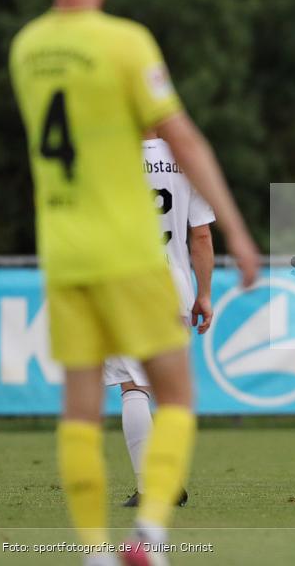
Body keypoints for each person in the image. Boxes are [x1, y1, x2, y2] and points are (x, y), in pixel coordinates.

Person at [8, 0, 258, 564]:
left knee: (85, 400)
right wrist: (240, 235)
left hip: (67, 252)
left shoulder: (27, 47)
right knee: (172, 392)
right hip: (136, 259)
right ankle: (149, 533)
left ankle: (94, 549)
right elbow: (188, 144)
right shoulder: (125, 41)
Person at [107, 134, 215, 508]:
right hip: (174, 286)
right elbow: (200, 235)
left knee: (133, 386)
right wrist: (203, 293)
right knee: (168, 391)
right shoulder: (186, 156)